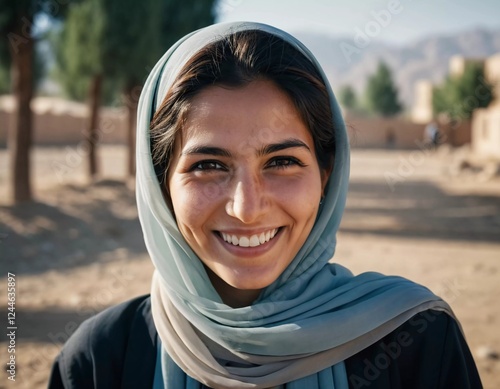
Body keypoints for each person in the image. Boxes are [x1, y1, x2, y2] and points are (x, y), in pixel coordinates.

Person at [48, 22, 482, 388]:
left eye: (281, 162)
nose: (247, 208)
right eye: (209, 165)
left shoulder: (418, 341)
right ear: (161, 185)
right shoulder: (99, 361)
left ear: (326, 174)